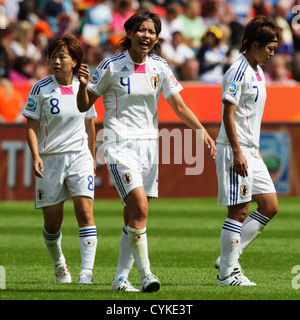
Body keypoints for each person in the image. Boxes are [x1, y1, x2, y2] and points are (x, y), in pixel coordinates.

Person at [76, 11, 217, 292]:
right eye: (141, 30)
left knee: (135, 216)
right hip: (118, 145)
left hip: (148, 147)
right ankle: (147, 275)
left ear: (156, 37)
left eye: (152, 31)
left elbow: (178, 105)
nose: (147, 36)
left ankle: (119, 279)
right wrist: (82, 86)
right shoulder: (111, 66)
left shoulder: (159, 67)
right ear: (129, 33)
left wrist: (201, 130)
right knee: (139, 208)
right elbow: (83, 106)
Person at [23, 34, 98, 284]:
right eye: (53, 56)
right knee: (53, 223)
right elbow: (31, 125)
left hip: (79, 156)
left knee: (85, 211)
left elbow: (91, 125)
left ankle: (86, 274)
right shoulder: (40, 88)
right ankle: (59, 264)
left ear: (75, 61)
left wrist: (92, 158)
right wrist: (35, 155)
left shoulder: (84, 86)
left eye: (62, 56)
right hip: (50, 159)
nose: (56, 61)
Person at [214, 16, 280, 286]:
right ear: (254, 45)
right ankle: (226, 274)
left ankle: (230, 255)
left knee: (270, 206)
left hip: (251, 150)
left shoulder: (258, 70)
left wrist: (254, 150)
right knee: (239, 210)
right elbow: (228, 115)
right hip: (235, 150)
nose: (272, 54)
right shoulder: (238, 71)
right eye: (269, 48)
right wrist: (239, 152)